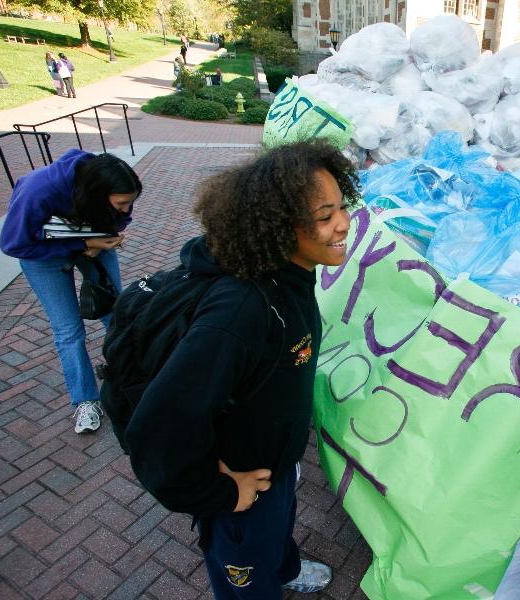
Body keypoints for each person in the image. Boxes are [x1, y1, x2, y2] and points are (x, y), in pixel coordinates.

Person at [124, 140, 358, 598]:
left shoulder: (290, 273)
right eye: (325, 215)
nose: (343, 224)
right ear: (278, 227)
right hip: (241, 488)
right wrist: (222, 493)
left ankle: (284, 567)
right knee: (247, 577)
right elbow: (157, 431)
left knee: (275, 531)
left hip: (275, 465)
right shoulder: (239, 313)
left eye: (342, 206)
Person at [0, 150, 141, 434]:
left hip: (91, 240)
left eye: (130, 203)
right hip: (42, 255)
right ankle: (86, 400)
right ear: (99, 193)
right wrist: (80, 246)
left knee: (116, 314)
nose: (127, 211)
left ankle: (134, 382)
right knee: (68, 330)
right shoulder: (37, 191)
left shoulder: (111, 188)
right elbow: (14, 244)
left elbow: (120, 220)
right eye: (122, 204)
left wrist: (104, 237)